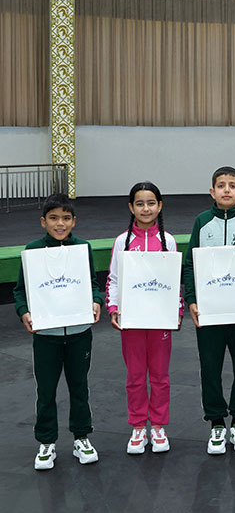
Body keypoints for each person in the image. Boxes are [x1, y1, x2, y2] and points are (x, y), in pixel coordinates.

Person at [182, 166, 235, 455]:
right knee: (210, 368)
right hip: (209, 313)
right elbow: (190, 264)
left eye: (233, 185)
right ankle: (217, 422)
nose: (227, 190)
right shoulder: (202, 222)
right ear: (212, 192)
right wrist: (192, 300)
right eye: (221, 185)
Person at [13, 194, 103, 470]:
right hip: (46, 336)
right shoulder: (33, 250)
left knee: (79, 386)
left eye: (66, 218)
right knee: (46, 389)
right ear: (43, 222)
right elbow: (20, 291)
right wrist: (24, 311)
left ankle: (81, 436)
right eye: (53, 218)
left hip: (78, 333)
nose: (60, 223)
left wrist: (96, 301)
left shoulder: (83, 248)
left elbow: (92, 283)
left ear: (74, 220)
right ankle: (47, 442)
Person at [106, 182, 182, 455]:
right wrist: (114, 308)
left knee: (160, 376)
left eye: (151, 203)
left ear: (159, 206)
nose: (146, 208)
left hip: (160, 321)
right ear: (131, 207)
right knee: (136, 376)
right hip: (133, 322)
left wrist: (177, 310)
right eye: (140, 203)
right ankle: (138, 425)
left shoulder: (168, 241)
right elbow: (113, 279)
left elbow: (175, 280)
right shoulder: (121, 241)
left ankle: (158, 425)